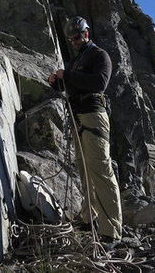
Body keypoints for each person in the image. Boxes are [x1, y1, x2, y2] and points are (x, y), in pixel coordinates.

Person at [48, 16, 122, 248]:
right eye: (71, 39)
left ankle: (112, 232)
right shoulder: (77, 60)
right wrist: (56, 83)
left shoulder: (100, 56)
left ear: (86, 34)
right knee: (85, 171)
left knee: (100, 170)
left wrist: (66, 76)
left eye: (78, 37)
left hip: (93, 116)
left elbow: (99, 82)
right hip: (79, 117)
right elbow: (72, 85)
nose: (75, 42)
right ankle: (89, 219)